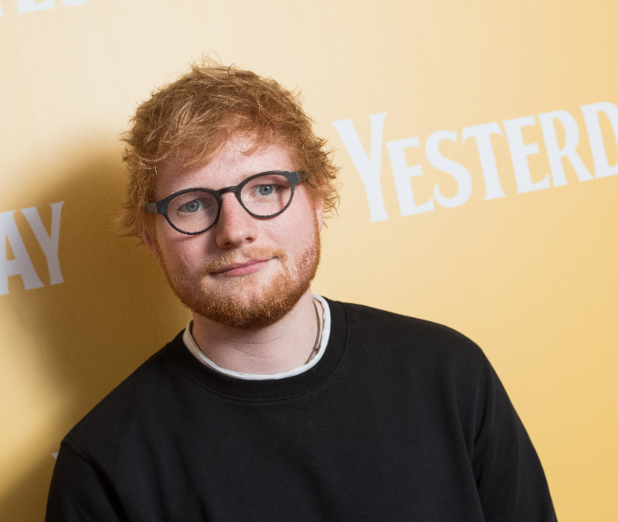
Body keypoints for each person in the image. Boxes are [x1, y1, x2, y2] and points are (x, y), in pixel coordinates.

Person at [46, 62, 556, 521]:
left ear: (319, 198)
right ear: (151, 238)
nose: (235, 231)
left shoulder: (449, 374)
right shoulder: (104, 468)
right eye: (193, 204)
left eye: (265, 188)